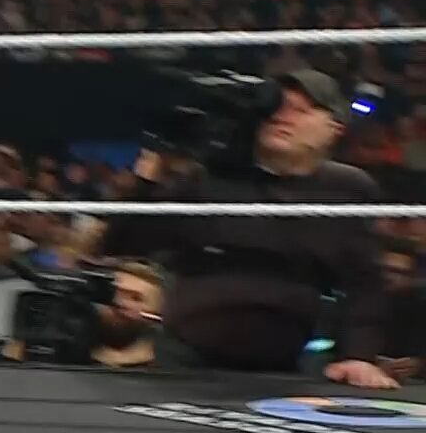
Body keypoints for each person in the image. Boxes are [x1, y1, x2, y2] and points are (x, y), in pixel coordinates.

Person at [103, 68, 396, 388]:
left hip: (285, 362)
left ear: (334, 127)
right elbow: (123, 244)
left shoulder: (347, 188)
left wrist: (359, 356)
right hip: (184, 357)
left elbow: (364, 282)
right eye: (274, 108)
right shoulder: (209, 178)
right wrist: (148, 179)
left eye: (299, 110)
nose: (281, 117)